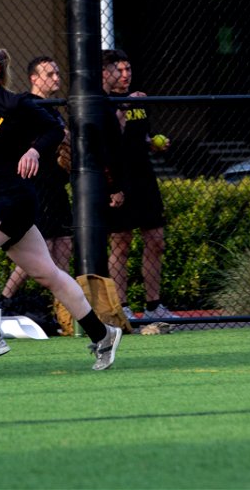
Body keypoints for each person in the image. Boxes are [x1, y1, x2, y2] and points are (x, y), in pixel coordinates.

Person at [0, 42, 121, 370]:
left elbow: (54, 129)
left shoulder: (16, 104)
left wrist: (35, 150)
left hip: (15, 199)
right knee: (48, 273)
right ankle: (102, 334)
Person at [101, 49, 175, 321]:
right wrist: (124, 107)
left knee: (156, 240)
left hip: (144, 176)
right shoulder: (105, 102)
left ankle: (154, 306)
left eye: (128, 70)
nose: (124, 75)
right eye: (119, 71)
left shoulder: (139, 100)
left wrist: (154, 143)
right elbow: (113, 137)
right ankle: (123, 308)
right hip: (120, 178)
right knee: (121, 242)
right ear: (106, 73)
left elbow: (141, 136)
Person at [0, 56, 74, 305]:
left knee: (64, 244)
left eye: (57, 73)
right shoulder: (28, 104)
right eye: (49, 74)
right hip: (36, 186)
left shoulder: (52, 107)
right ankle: (4, 300)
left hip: (56, 185)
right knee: (41, 249)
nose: (56, 78)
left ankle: (62, 307)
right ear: (34, 78)